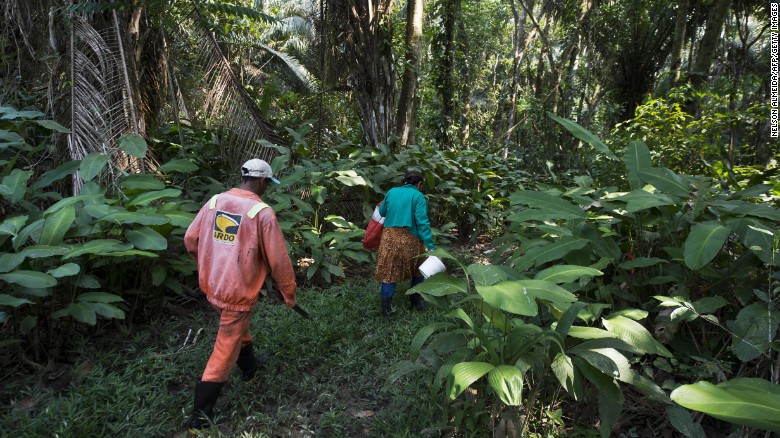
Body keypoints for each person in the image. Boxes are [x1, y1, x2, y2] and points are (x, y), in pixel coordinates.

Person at [184, 158, 297, 430]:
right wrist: (289, 293)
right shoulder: (262, 212)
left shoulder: (214, 202)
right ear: (261, 181)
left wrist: (207, 266)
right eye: (268, 183)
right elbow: (279, 260)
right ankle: (200, 417)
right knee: (225, 348)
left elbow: (190, 239)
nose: (267, 188)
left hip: (212, 285)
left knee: (236, 329)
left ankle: (249, 369)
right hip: (237, 293)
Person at [374, 170, 434, 318]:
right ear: (419, 184)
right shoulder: (418, 196)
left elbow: (381, 212)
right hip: (410, 239)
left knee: (389, 272)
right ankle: (416, 301)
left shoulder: (391, 192)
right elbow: (422, 222)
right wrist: (431, 246)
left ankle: (387, 310)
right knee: (418, 268)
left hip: (389, 238)